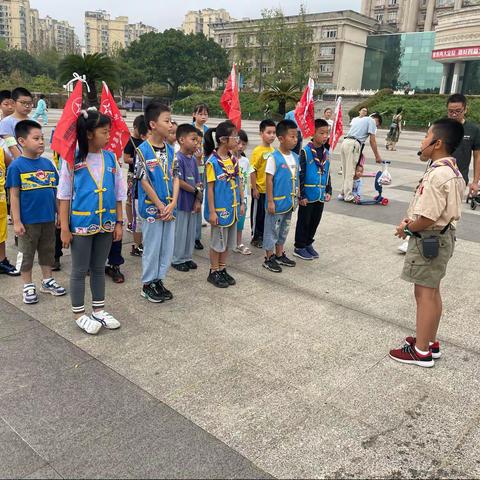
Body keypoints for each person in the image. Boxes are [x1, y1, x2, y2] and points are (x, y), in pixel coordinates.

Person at [389, 118, 466, 367]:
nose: (422, 142)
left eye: (425, 137)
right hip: (443, 237)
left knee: (423, 293)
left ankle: (420, 351)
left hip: (430, 238)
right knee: (432, 291)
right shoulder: (453, 170)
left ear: (437, 143)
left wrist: (407, 229)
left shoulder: (437, 175)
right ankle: (429, 341)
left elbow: (428, 217)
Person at [58, 109, 125, 334]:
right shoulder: (72, 159)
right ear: (88, 134)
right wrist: (65, 229)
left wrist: (119, 222)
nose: (108, 136)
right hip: (81, 225)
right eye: (104, 132)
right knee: (79, 270)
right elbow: (64, 195)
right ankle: (79, 313)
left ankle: (98, 309)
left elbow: (118, 193)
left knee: (98, 268)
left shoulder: (111, 157)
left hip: (105, 223)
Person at [398, 94, 480, 253]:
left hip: (457, 177)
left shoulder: (473, 129)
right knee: (421, 206)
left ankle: (441, 242)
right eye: (451, 111)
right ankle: (412, 237)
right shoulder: (441, 127)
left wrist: (476, 181)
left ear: (465, 109)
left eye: (458, 111)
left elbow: (477, 156)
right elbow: (426, 149)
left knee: (448, 213)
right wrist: (423, 153)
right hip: (435, 173)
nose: (454, 114)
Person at [6, 120, 66, 303]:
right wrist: (16, 221)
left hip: (48, 218)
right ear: (22, 141)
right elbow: (14, 196)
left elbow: (56, 192)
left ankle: (47, 280)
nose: (41, 142)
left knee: (48, 251)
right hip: (28, 222)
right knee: (27, 253)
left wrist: (59, 215)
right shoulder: (16, 166)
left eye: (42, 138)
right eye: (36, 138)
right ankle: (28, 284)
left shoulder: (48, 164)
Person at [136, 101, 179, 303]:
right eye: (167, 121)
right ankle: (148, 284)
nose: (171, 125)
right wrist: (161, 205)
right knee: (152, 247)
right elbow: (143, 180)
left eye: (171, 121)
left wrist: (172, 204)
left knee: (166, 247)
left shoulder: (171, 150)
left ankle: (159, 280)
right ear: (153, 124)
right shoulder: (142, 150)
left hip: (170, 208)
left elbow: (176, 177)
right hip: (153, 209)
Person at [204, 120, 244, 288]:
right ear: (222, 139)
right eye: (234, 136)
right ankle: (213, 271)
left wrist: (242, 202)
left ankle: (222, 268)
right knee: (217, 243)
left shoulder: (233, 159)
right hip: (220, 210)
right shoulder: (212, 162)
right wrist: (212, 212)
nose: (237, 140)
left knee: (227, 242)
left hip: (233, 208)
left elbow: (239, 181)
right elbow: (210, 189)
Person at [263, 119, 299, 273]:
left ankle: (279, 253)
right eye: (292, 136)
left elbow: (296, 177)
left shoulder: (296, 157)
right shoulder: (274, 157)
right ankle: (269, 257)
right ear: (281, 138)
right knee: (272, 230)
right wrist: (270, 201)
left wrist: (299, 195)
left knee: (284, 229)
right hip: (276, 203)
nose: (295, 140)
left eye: (296, 136)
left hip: (289, 202)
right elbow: (269, 180)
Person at [294, 119, 331, 260]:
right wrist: (301, 194)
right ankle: (299, 246)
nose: (325, 136)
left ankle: (308, 242)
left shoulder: (326, 153)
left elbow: (327, 173)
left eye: (326, 133)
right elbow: (301, 174)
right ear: (313, 133)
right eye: (321, 133)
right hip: (307, 195)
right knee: (304, 220)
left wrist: (328, 190)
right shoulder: (305, 151)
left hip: (320, 194)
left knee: (315, 220)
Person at [171, 123, 202, 272]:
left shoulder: (193, 160)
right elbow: (180, 181)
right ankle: (177, 259)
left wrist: (197, 199)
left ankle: (187, 257)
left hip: (192, 202)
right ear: (182, 140)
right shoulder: (178, 159)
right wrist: (196, 192)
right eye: (193, 139)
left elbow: (198, 181)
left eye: (197, 140)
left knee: (190, 231)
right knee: (180, 231)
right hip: (181, 202)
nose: (196, 143)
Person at [339, 112, 382, 202]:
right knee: (350, 171)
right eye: (377, 125)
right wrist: (377, 156)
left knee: (346, 170)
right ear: (376, 120)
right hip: (353, 144)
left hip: (345, 142)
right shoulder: (372, 121)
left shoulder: (361, 119)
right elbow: (372, 140)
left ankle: (343, 192)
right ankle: (348, 196)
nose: (375, 128)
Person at [250, 119, 276, 249]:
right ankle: (256, 236)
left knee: (267, 215)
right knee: (258, 214)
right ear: (261, 133)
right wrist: (254, 188)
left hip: (269, 190)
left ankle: (264, 235)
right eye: (268, 132)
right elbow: (252, 170)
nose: (272, 135)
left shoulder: (274, 151)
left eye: (274, 133)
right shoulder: (257, 151)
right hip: (259, 189)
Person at [123, 114, 147, 256]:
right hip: (133, 175)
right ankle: (131, 222)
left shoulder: (145, 141)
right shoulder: (131, 141)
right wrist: (138, 160)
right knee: (130, 199)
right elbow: (126, 159)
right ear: (136, 128)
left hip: (143, 175)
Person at [192, 103, 210, 250]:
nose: (203, 116)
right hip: (191, 169)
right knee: (190, 201)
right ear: (194, 114)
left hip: (203, 169)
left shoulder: (208, 132)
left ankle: (196, 236)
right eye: (200, 113)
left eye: (205, 114)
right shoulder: (189, 130)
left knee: (199, 199)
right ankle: (190, 234)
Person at [0, 87, 34, 159]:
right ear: (14, 102)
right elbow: (12, 146)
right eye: (23, 103)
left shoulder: (34, 122)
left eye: (29, 103)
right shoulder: (6, 122)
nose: (27, 106)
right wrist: (22, 163)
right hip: (16, 162)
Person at [0, 144, 19, 275]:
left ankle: (2, 260)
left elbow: (13, 163)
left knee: (1, 233)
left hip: (0, 202)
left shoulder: (1, 152)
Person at [232, 129, 252, 255]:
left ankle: (238, 243)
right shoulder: (227, 159)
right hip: (230, 196)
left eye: (243, 144)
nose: (240, 146)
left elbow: (245, 178)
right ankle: (228, 242)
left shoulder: (245, 161)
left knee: (240, 220)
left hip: (242, 196)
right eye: (238, 143)